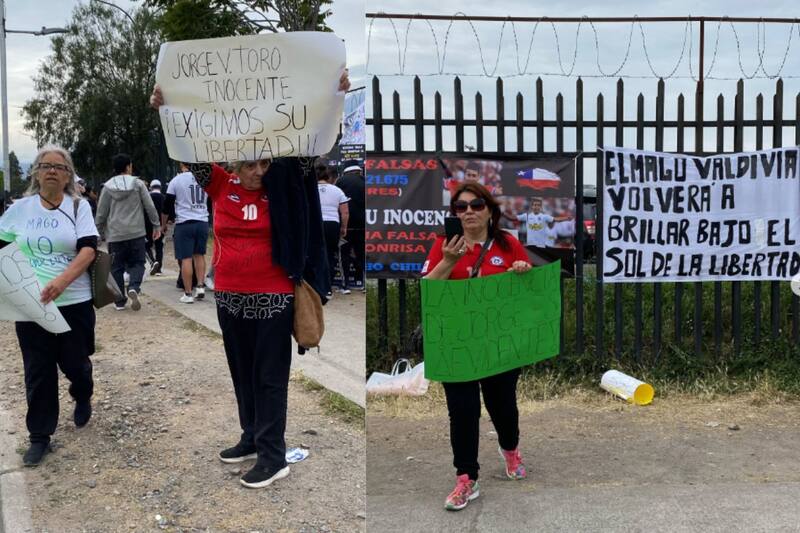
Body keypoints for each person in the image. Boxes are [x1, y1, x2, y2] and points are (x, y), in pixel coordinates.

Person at [149, 70, 347, 489]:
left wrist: (334, 99)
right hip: (230, 299)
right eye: (250, 163)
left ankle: (274, 457)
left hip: (274, 300)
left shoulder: (286, 190)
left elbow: (318, 144)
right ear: (234, 165)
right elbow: (188, 146)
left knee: (269, 377)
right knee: (241, 372)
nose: (259, 170)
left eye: (265, 162)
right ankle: (252, 437)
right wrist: (166, 109)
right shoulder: (220, 186)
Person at [420, 182, 533, 511]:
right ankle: (466, 478)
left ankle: (510, 449)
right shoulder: (444, 244)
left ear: (490, 211)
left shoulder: (507, 243)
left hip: (498, 343)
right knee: (463, 411)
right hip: (455, 343)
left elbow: (526, 294)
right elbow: (428, 290)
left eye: (476, 205)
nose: (468, 211)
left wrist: (522, 272)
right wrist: (447, 261)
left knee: (502, 406)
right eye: (460, 207)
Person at [0, 145, 98, 466]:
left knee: (75, 363)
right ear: (36, 172)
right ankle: (40, 436)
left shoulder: (78, 207)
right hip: (30, 305)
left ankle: (82, 393)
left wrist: (61, 282)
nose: (52, 170)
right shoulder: (19, 209)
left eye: (60, 166)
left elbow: (88, 250)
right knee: (38, 371)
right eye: (45, 165)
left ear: (69, 174)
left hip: (74, 301)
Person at [95, 154, 161, 311]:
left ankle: (119, 301)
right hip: (136, 232)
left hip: (115, 235)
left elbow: (101, 213)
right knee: (138, 263)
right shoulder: (138, 184)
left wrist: (97, 232)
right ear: (128, 167)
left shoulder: (107, 187)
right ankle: (134, 287)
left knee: (116, 267)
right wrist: (156, 225)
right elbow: (149, 206)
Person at [162, 164, 209, 303]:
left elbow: (167, 205)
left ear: (182, 164)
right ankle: (200, 286)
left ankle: (188, 293)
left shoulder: (176, 180)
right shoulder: (204, 178)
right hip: (202, 221)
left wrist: (163, 224)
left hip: (184, 222)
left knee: (186, 258)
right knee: (199, 255)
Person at [317, 162, 349, 295]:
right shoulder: (337, 190)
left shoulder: (310, 189)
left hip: (316, 224)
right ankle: (327, 287)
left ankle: (316, 285)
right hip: (332, 225)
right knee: (330, 256)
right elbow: (345, 212)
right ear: (329, 177)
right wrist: (343, 227)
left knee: (315, 255)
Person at [335, 163, 365, 291]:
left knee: (344, 254)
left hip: (345, 225)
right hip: (362, 225)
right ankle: (363, 283)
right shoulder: (365, 182)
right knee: (362, 254)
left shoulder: (340, 181)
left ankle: (345, 285)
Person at [145, 179, 165, 275]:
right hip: (160, 225)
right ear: (160, 187)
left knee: (146, 245)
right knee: (159, 246)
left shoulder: (147, 197)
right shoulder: (163, 197)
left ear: (151, 187)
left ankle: (153, 262)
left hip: (148, 225)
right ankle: (159, 268)